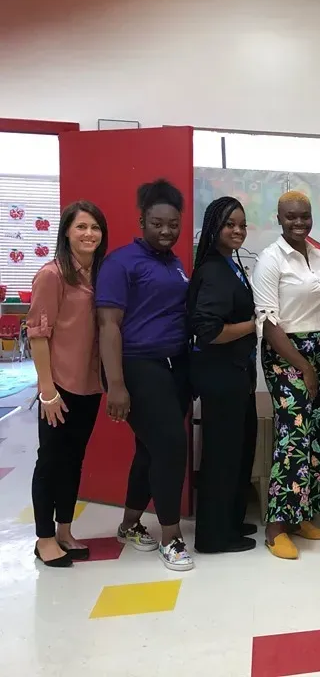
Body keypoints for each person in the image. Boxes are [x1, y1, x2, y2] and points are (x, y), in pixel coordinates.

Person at [96, 179, 194, 572]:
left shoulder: (173, 262)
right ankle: (172, 538)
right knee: (171, 446)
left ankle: (129, 524)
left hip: (172, 368)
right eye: (157, 224)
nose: (167, 231)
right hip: (136, 366)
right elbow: (108, 327)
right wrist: (116, 384)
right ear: (142, 221)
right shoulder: (120, 263)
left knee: (150, 449)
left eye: (173, 224)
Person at [251, 191, 320, 560]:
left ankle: (301, 516)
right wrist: (303, 365)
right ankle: (275, 527)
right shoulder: (270, 260)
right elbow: (268, 323)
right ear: (279, 217)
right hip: (287, 354)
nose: (299, 222)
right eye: (291, 217)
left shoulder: (319, 255)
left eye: (304, 216)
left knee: (318, 435)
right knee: (294, 438)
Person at [27, 201, 108, 567]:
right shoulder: (53, 274)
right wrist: (47, 390)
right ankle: (44, 538)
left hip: (89, 385)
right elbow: (38, 335)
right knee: (51, 461)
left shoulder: (100, 274)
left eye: (95, 227)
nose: (89, 234)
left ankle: (64, 531)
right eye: (81, 227)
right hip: (59, 387)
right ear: (66, 233)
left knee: (74, 462)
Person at [188, 197, 258, 554]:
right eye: (230, 224)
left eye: (242, 225)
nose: (237, 230)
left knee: (239, 450)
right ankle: (214, 536)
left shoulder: (230, 264)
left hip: (236, 375)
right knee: (221, 456)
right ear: (214, 226)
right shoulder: (214, 270)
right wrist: (255, 325)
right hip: (220, 377)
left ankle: (229, 522)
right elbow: (209, 331)